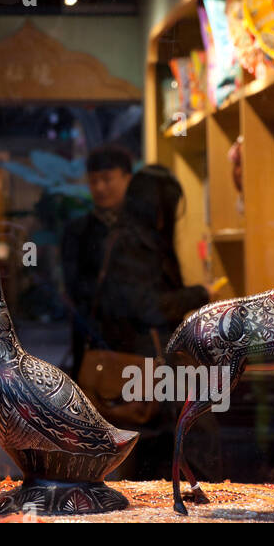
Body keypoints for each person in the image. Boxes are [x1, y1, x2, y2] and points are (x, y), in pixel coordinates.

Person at [93, 164, 211, 478]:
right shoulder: (136, 244)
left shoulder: (129, 239)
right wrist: (199, 294)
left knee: (154, 458)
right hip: (145, 371)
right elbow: (149, 308)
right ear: (159, 208)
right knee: (157, 459)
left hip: (145, 371)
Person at [61, 145, 133, 377]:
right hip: (93, 337)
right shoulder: (77, 230)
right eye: (93, 181)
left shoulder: (142, 227)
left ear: (127, 179)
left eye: (107, 179)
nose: (100, 188)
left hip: (135, 340)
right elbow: (74, 285)